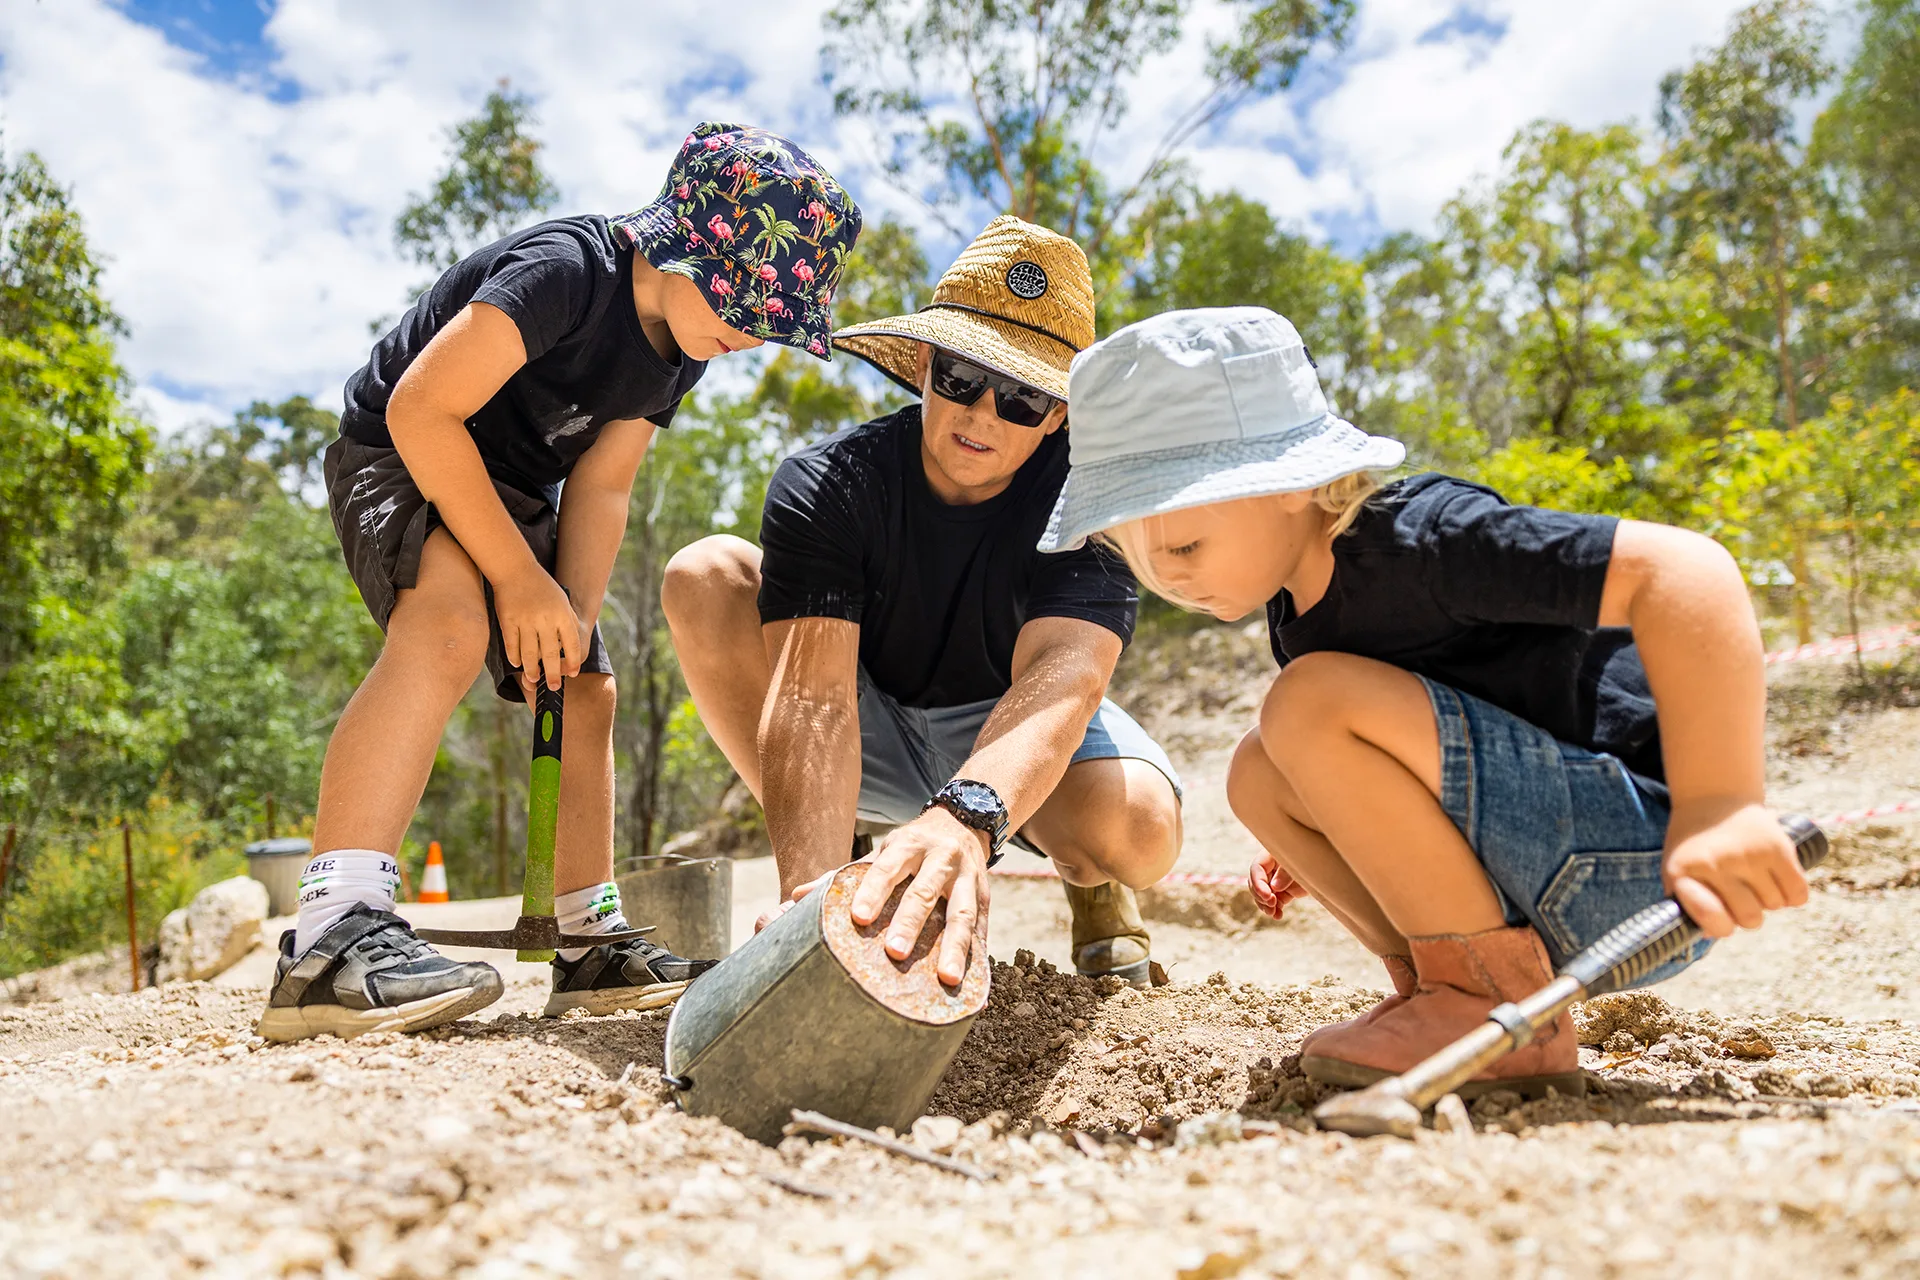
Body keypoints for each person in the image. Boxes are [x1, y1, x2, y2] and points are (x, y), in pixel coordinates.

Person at [1042, 305, 1809, 1095]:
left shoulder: (1424, 538)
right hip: (1542, 875)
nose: (1169, 580)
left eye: (1184, 547)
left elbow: (1686, 571)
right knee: (1258, 771)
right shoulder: (1299, 615)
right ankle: (1453, 998)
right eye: (1140, 560)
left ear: (1287, 484)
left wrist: (1721, 806)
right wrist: (1343, 817)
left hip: (1646, 864)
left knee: (1304, 705)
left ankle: (1486, 995)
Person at [257, 123, 862, 1043]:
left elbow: (604, 483)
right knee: (452, 626)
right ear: (677, 244)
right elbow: (421, 407)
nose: (748, 334)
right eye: (742, 302)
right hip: (405, 453)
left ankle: (587, 940)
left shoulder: (681, 350)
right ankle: (330, 934)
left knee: (586, 686)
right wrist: (513, 578)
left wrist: (567, 615)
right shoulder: (566, 270)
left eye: (766, 318)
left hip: (513, 489)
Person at [662, 216, 1183, 989]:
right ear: (925, 363)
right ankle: (843, 880)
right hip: (861, 719)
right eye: (964, 379)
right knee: (704, 574)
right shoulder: (831, 481)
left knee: (1140, 830)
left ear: (1062, 415)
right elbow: (814, 701)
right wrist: (815, 911)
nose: (982, 415)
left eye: (1022, 399)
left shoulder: (1093, 499)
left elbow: (1069, 674)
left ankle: (1093, 886)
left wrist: (968, 816)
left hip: (1009, 723)